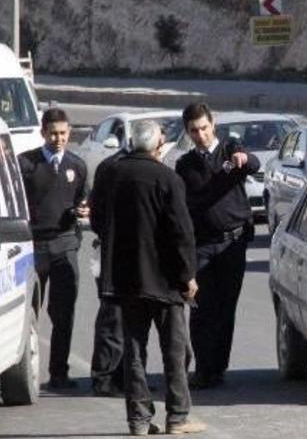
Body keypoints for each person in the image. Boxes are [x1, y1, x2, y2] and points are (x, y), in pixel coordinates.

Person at [101, 120, 205, 435]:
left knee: (134, 351)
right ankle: (177, 416)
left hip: (126, 277)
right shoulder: (168, 178)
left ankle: (138, 419)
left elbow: (98, 220)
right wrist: (187, 275)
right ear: (158, 146)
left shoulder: (111, 174)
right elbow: (181, 232)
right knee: (175, 351)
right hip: (165, 279)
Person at [175, 103, 259, 389]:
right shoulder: (185, 165)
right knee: (201, 309)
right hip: (202, 246)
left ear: (213, 125)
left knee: (225, 308)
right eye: (194, 131)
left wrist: (242, 156)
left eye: (204, 128)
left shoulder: (229, 151)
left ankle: (218, 367)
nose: (200, 135)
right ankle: (203, 368)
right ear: (187, 132)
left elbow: (253, 164)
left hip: (232, 243)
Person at [18, 108, 89, 389]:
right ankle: (19, 373)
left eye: (63, 133)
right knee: (27, 312)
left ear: (69, 132)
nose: (58, 139)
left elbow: (83, 198)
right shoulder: (26, 164)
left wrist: (82, 210)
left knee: (63, 312)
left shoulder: (77, 166)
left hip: (65, 243)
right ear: (43, 133)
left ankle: (59, 372)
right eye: (53, 134)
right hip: (33, 247)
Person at [88, 145, 129, 397]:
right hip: (113, 254)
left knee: (128, 319)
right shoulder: (113, 167)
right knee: (113, 317)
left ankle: (125, 377)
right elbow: (97, 217)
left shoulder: (118, 166)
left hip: (124, 254)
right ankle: (105, 378)